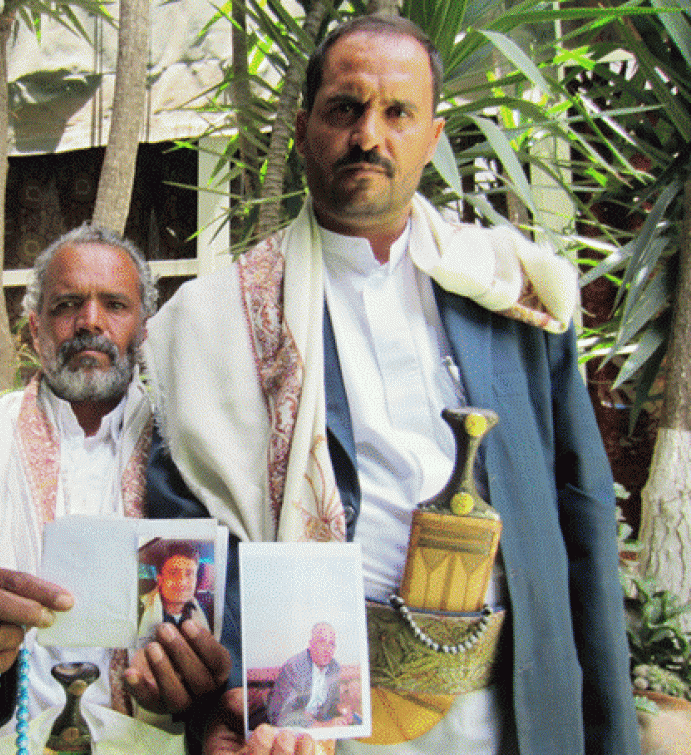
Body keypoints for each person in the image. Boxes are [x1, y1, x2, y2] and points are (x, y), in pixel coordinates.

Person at [142, 13, 639, 755]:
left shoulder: (512, 291)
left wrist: (611, 733)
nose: (369, 135)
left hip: (520, 714)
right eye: (345, 108)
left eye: (398, 113)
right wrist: (224, 711)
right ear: (304, 128)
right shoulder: (214, 326)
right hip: (314, 726)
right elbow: (194, 547)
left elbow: (583, 522)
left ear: (431, 138)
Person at [0, 224, 230, 754]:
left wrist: (204, 686)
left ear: (144, 330)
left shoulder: (194, 451)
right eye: (67, 305)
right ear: (35, 330)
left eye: (115, 305)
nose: (90, 321)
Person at [266, 622, 343, 728]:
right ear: (311, 644)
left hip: (320, 725)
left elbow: (332, 705)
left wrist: (342, 712)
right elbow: (282, 715)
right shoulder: (294, 668)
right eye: (322, 643)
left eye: (332, 644)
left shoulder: (335, 667)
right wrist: (322, 725)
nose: (327, 649)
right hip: (291, 727)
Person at [138, 541, 211, 644]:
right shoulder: (139, 611)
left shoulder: (205, 611)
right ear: (160, 579)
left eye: (189, 574)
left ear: (196, 579)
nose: (182, 582)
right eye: (173, 573)